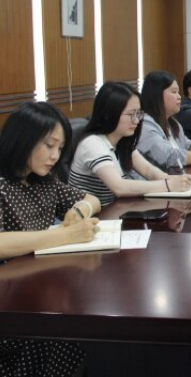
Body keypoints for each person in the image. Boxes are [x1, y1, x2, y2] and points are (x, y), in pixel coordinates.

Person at [0, 102, 103, 376]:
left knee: (83, 314)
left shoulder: (43, 180)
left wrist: (81, 209)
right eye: (49, 145)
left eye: (60, 148)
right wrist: (62, 235)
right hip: (10, 302)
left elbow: (92, 199)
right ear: (23, 139)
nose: (55, 156)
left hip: (36, 285)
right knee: (68, 328)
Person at [69, 82, 191, 207]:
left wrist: (173, 179)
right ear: (108, 114)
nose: (136, 120)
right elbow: (119, 187)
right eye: (130, 114)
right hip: (94, 214)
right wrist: (168, 185)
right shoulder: (92, 144)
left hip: (116, 210)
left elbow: (148, 171)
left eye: (138, 113)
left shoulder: (122, 140)